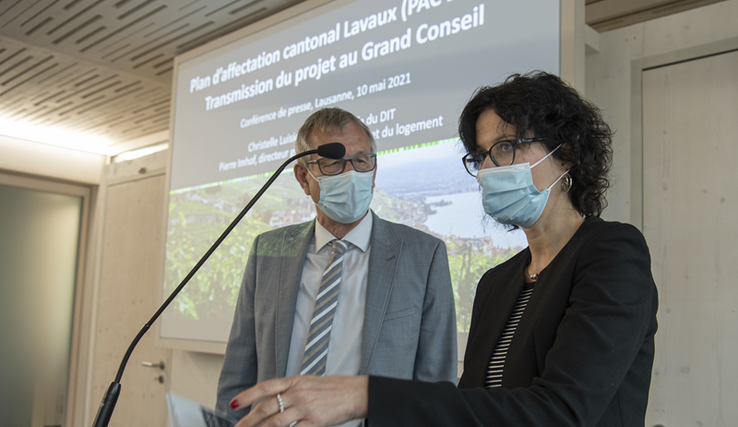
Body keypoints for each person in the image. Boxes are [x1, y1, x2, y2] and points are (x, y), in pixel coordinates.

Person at [228, 72, 659, 427]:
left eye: (506, 147)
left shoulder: (612, 253)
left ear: (566, 155)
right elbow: (468, 409)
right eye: (481, 155)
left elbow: (561, 413)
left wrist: (365, 395)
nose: (488, 168)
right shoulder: (498, 282)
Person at [216, 107, 458, 425]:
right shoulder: (268, 250)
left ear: (373, 171)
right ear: (304, 177)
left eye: (361, 161)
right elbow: (239, 370)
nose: (351, 173)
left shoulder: (423, 255)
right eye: (333, 163)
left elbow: (436, 386)